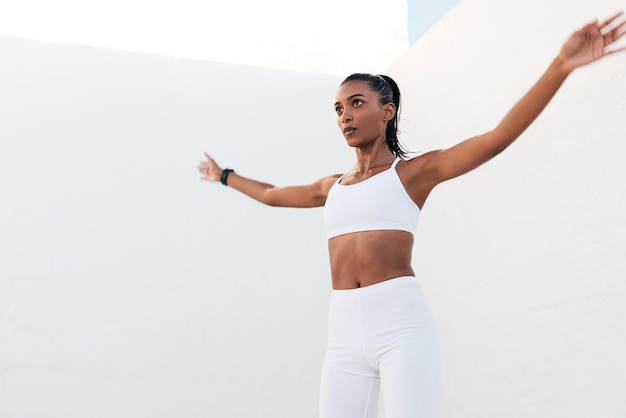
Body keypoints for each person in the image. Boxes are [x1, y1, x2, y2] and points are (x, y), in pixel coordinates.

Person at [198, 13, 626, 418]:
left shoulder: (413, 174)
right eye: (338, 108)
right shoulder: (333, 186)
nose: (345, 114)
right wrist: (224, 176)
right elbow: (272, 194)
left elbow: (495, 139)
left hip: (400, 327)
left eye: (357, 102)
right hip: (343, 333)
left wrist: (560, 66)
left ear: (387, 111)